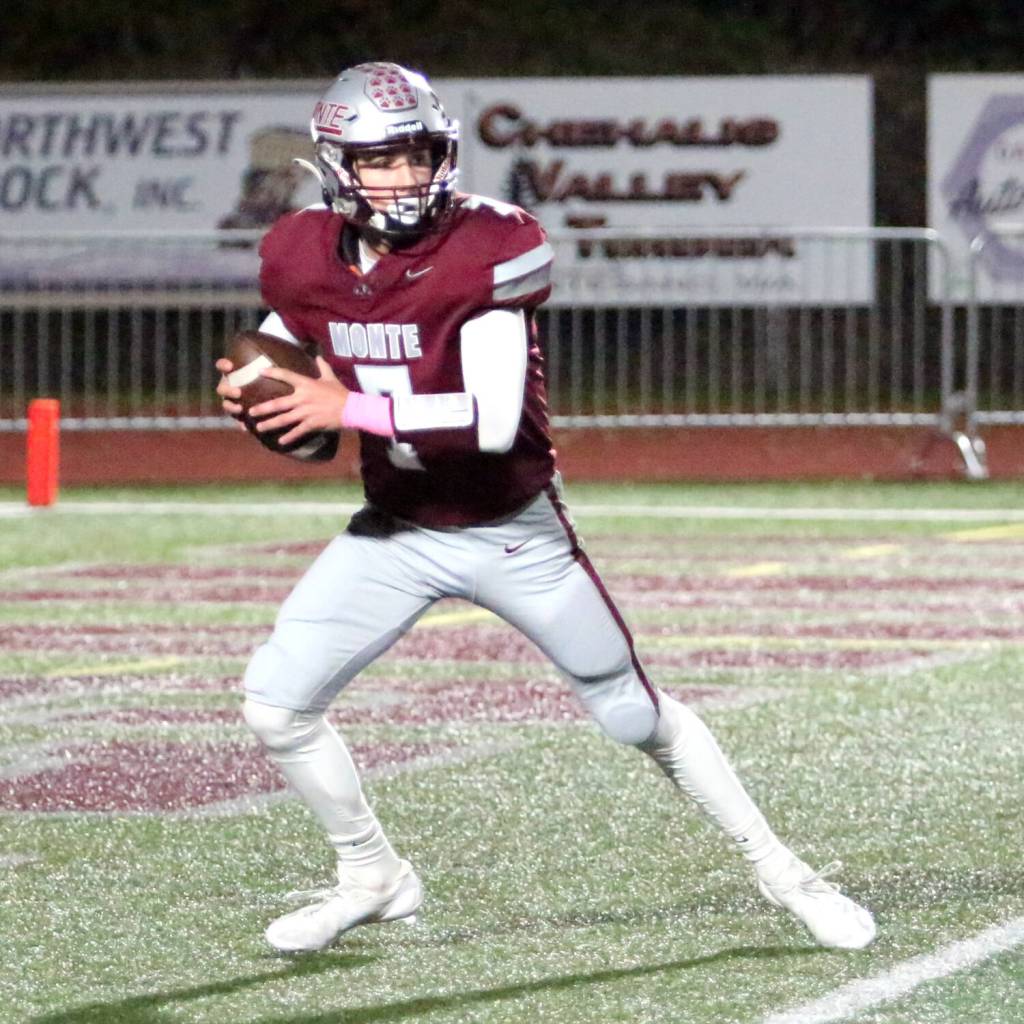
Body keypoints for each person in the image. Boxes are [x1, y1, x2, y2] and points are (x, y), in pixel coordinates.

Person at [216, 61, 876, 955]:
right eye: (383, 160)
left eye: (419, 156)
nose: (407, 178)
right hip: (397, 530)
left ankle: (784, 873)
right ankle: (372, 873)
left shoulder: (487, 244)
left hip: (513, 533)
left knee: (632, 715)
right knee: (275, 704)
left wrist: (347, 409)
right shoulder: (300, 252)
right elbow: (300, 340)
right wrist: (262, 386)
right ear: (337, 165)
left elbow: (488, 424)